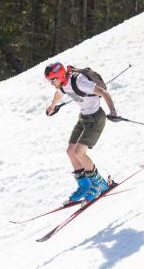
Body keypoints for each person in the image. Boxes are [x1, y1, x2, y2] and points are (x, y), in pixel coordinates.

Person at [44, 61, 119, 204]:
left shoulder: (79, 81)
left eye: (52, 79)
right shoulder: (63, 84)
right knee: (70, 151)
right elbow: (59, 93)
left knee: (79, 152)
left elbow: (103, 92)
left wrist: (113, 111)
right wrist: (52, 106)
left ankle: (99, 185)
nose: (51, 83)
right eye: (49, 80)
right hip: (83, 118)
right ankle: (85, 186)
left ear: (60, 75)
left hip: (96, 119)